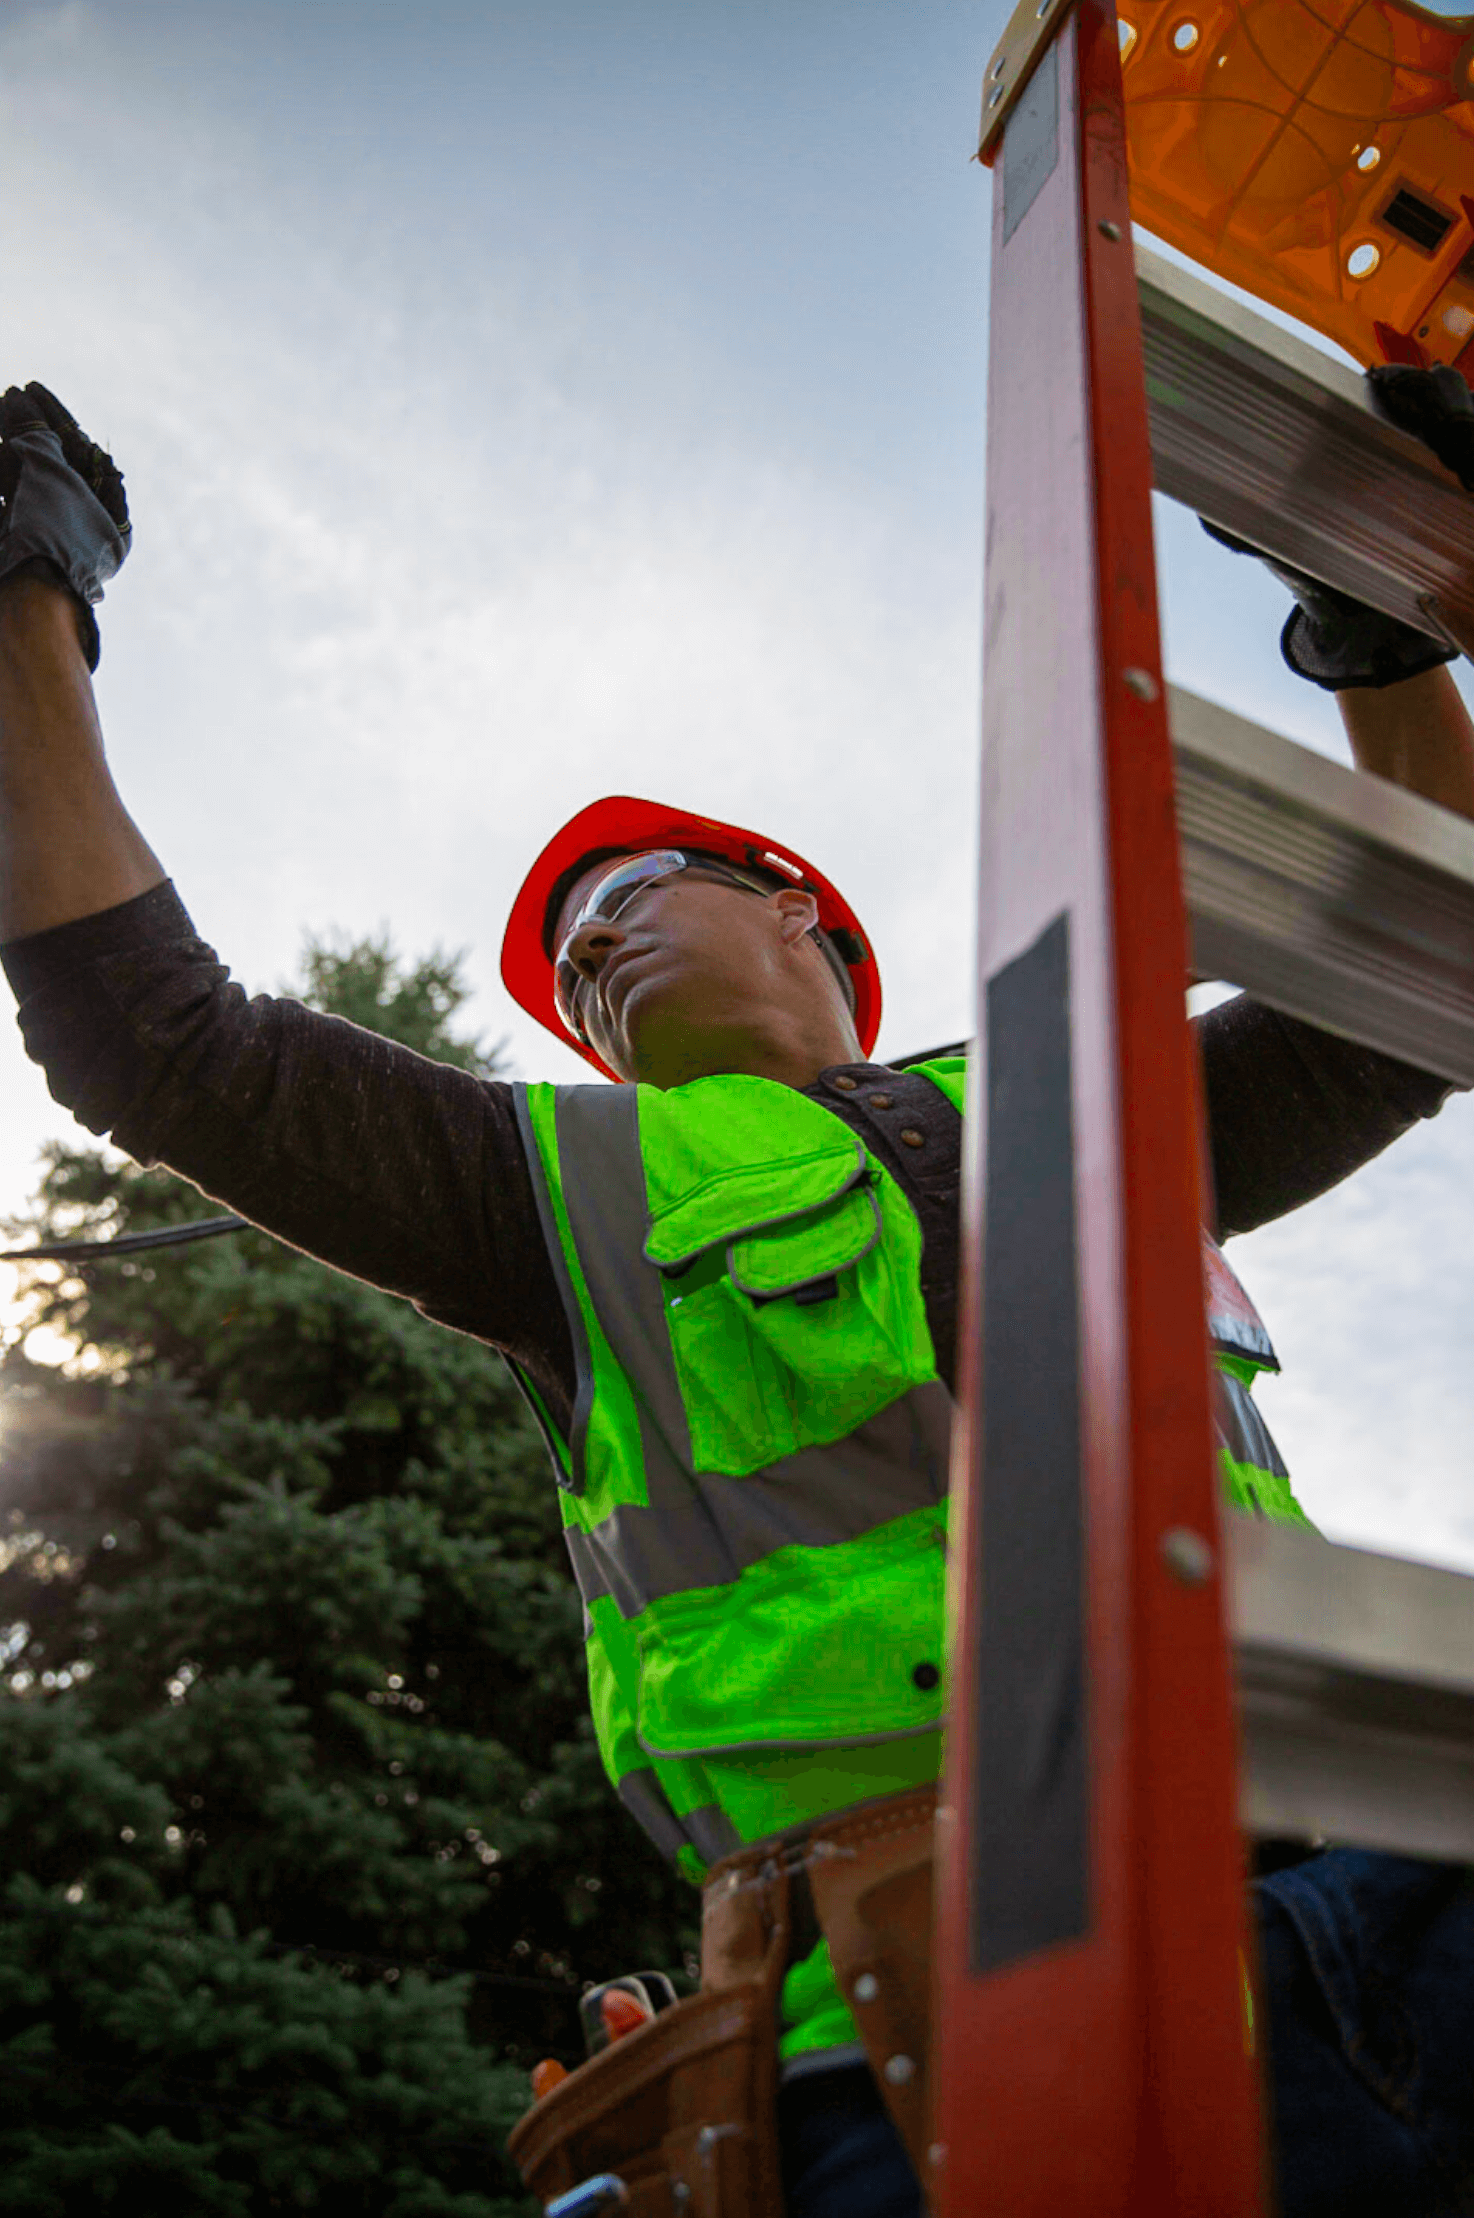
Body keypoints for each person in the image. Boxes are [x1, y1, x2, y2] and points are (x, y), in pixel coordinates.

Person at [0, 377, 1471, 2218]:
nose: (589, 947)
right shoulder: (550, 1190)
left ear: (800, 915)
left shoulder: (1075, 1100)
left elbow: (1423, 969)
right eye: (564, 960)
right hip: (939, 2000)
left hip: (1389, 1882)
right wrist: (26, 595)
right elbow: (161, 1043)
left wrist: (1376, 615)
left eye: (625, 893)